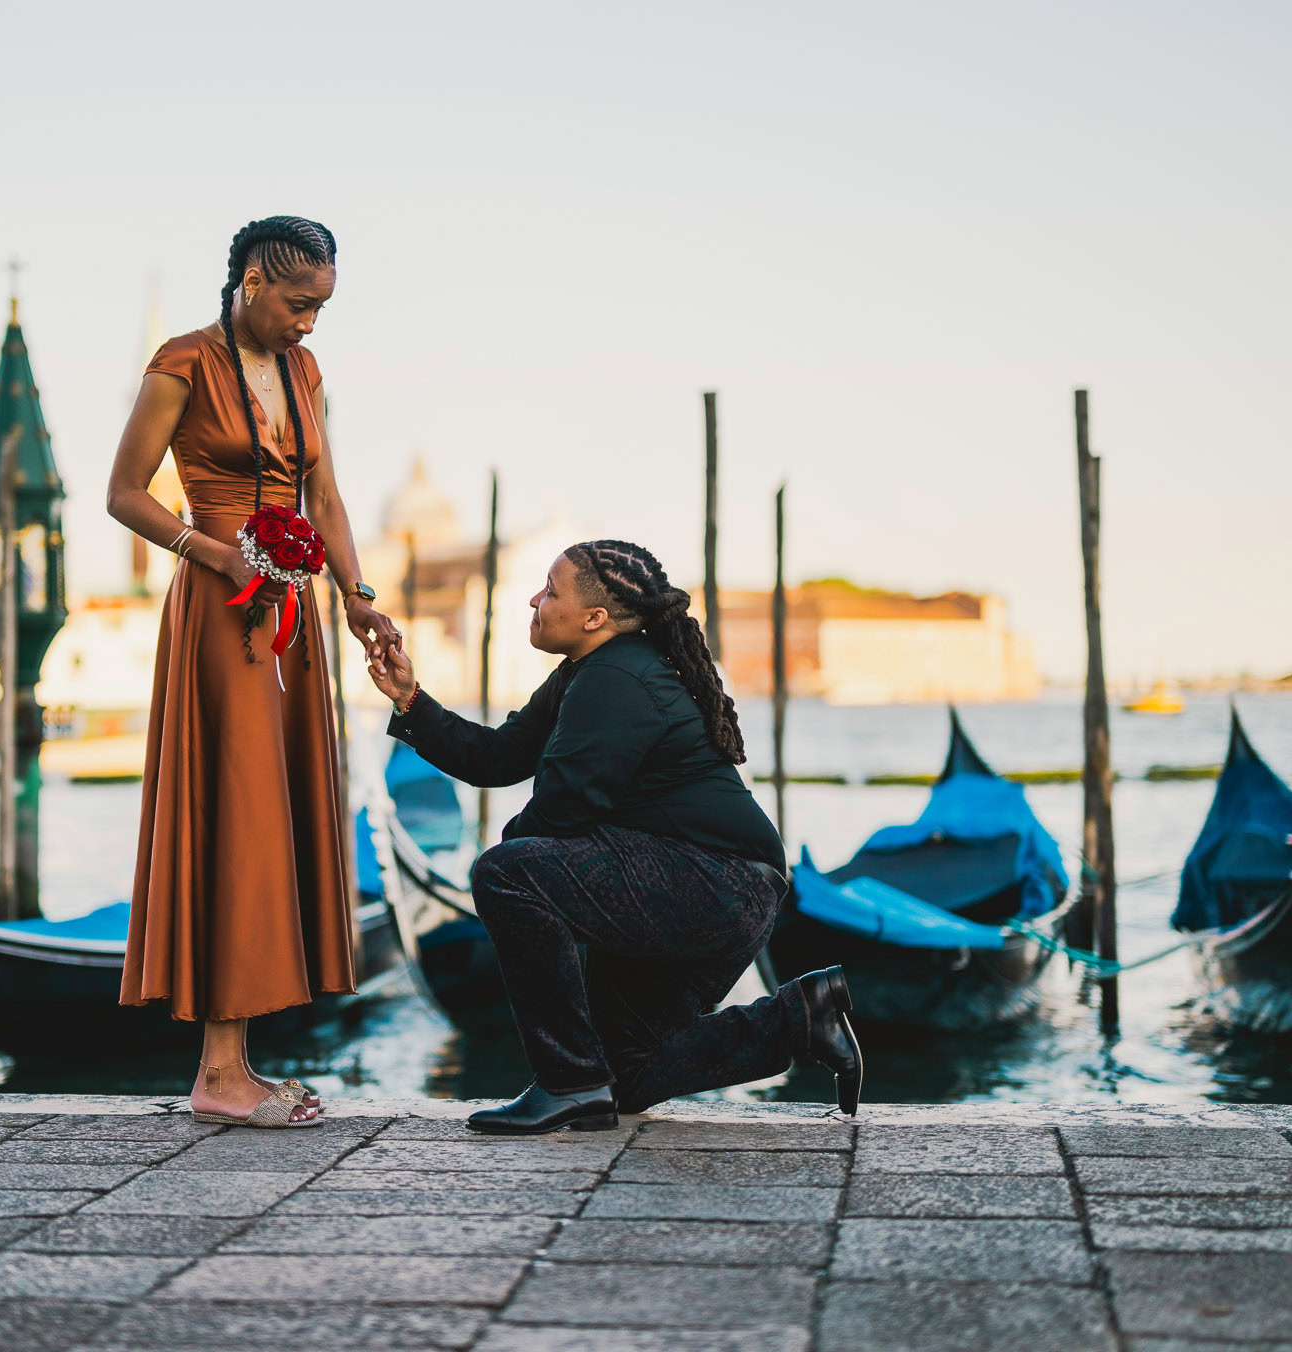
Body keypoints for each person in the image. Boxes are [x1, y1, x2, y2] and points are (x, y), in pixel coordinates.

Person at [367, 539, 863, 1133]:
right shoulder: (589, 671)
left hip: (716, 887)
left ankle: (568, 1083)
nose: (534, 599)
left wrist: (511, 866)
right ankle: (803, 1017)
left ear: (595, 617)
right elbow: (497, 758)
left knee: (508, 871)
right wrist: (411, 701)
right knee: (625, 1074)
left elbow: (564, 809)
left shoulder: (620, 677)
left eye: (551, 591)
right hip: (700, 885)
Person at [106, 216, 404, 1128]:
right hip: (220, 609)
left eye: (322, 308)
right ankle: (220, 1073)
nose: (310, 324)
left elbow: (327, 495)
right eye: (299, 303)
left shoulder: (307, 373)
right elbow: (123, 493)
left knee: (272, 819)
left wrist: (356, 595)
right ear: (248, 280)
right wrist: (214, 553)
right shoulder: (183, 362)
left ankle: (234, 1062)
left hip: (295, 616)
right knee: (232, 815)